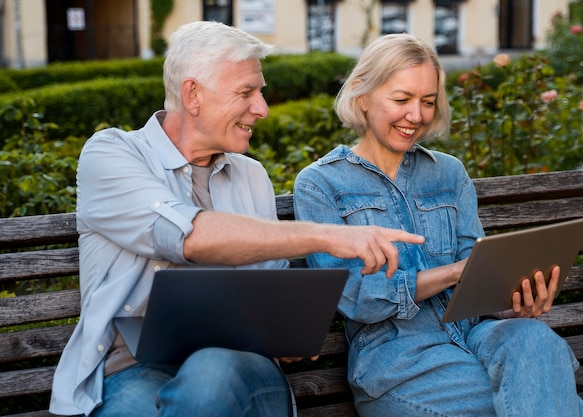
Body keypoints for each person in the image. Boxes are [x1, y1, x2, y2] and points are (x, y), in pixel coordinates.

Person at [49, 22, 424, 417]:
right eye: (246, 92)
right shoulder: (111, 154)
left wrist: (288, 335)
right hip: (132, 370)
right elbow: (186, 234)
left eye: (259, 92)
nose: (261, 108)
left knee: (212, 371)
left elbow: (271, 291)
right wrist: (326, 236)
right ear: (192, 94)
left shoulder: (250, 175)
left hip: (240, 366)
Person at [293, 33, 583, 417]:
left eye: (428, 102)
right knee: (545, 399)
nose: (416, 116)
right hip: (399, 361)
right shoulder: (322, 184)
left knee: (535, 340)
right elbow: (354, 296)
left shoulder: (449, 173)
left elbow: (478, 274)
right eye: (401, 100)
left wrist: (514, 300)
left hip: (478, 335)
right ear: (361, 95)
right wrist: (452, 273)